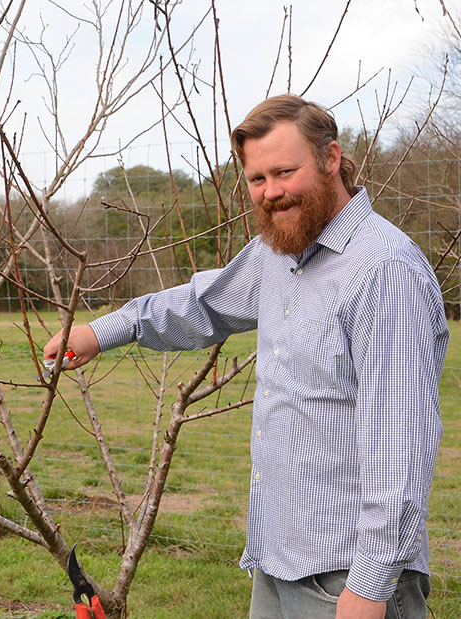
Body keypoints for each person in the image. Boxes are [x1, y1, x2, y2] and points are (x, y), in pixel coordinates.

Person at [44, 94, 449, 619]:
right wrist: (102, 331)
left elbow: (400, 448)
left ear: (331, 160)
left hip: (349, 577)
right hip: (278, 561)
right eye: (257, 180)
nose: (272, 193)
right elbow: (201, 305)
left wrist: (369, 588)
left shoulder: (385, 272)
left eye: (285, 172)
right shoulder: (279, 254)